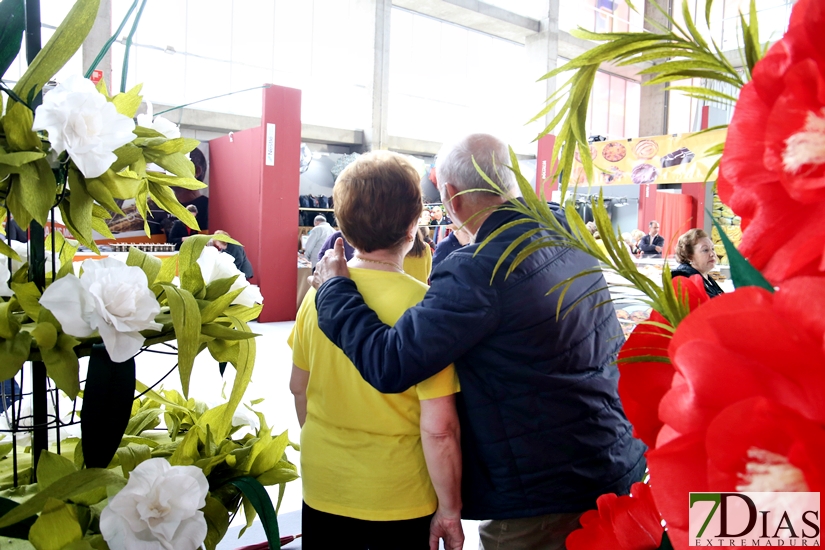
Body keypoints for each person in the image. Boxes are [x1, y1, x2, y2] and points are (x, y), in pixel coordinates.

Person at [311, 133, 646, 549]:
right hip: (611, 458)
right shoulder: (562, 229)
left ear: (450, 196)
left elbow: (391, 362)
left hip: (543, 496)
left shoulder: (479, 272)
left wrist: (333, 291)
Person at [289, 150, 464, 550]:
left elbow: (299, 387)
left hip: (324, 484)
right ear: (412, 226)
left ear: (344, 230)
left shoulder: (318, 298)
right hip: (400, 494)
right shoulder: (428, 308)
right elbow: (439, 428)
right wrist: (450, 509)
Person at [671, 228, 725, 298]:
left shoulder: (706, 277)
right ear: (690, 256)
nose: (712, 254)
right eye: (705, 250)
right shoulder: (684, 279)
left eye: (712, 249)